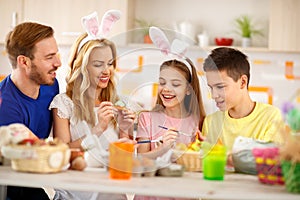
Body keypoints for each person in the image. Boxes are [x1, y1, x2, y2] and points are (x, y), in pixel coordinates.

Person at [49, 10, 135, 200]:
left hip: (112, 194)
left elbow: (123, 164)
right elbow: (61, 153)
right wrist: (98, 129)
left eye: (110, 63)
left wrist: (124, 130)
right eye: (98, 64)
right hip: (73, 194)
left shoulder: (120, 103)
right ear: (82, 66)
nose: (107, 71)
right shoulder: (64, 103)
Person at [0, 22, 61, 199]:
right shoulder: (5, 106)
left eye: (56, 54)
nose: (58, 62)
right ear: (24, 62)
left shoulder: (50, 85)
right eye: (49, 57)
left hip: (32, 180)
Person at [201, 47, 284, 168]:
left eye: (220, 87)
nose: (214, 95)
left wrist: (223, 155)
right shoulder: (210, 122)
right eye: (211, 88)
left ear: (243, 82)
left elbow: (267, 163)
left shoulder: (271, 117)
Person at [136, 27, 206, 160]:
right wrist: (163, 148)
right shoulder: (146, 118)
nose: (166, 89)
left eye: (175, 84)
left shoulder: (198, 121)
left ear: (188, 90)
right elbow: (140, 159)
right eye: (162, 83)